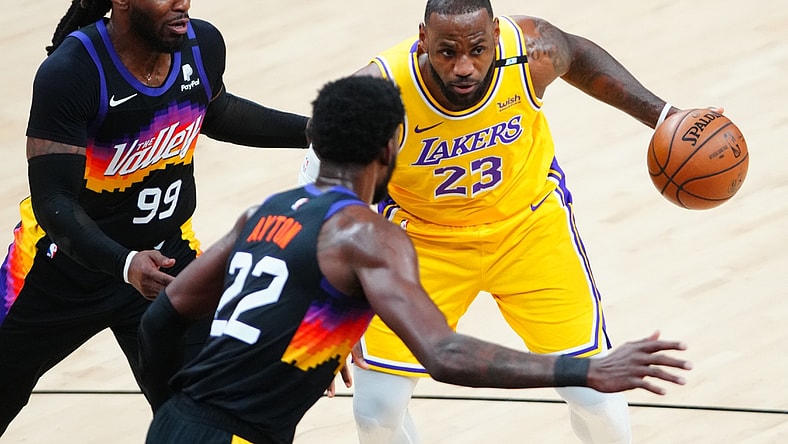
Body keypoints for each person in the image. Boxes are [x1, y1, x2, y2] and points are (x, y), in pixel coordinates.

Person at [140, 74, 691, 444]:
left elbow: (160, 318)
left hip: (173, 425)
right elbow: (444, 353)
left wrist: (173, 408)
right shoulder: (368, 235)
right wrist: (587, 368)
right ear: (390, 147)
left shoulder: (263, 213)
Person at [296, 1, 708, 443]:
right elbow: (320, 174)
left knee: (596, 397)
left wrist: (665, 117)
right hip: (421, 245)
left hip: (528, 231)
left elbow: (580, 56)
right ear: (422, 39)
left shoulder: (531, 49)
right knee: (376, 410)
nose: (464, 67)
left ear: (495, 34)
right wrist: (326, 298)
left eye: (476, 49)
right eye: (446, 52)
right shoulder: (380, 89)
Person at [0, 0, 309, 435]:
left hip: (165, 262)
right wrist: (125, 265)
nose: (182, 2)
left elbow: (215, 111)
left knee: (211, 408)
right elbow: (55, 201)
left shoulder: (201, 44)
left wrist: (312, 134)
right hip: (58, 271)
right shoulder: (72, 71)